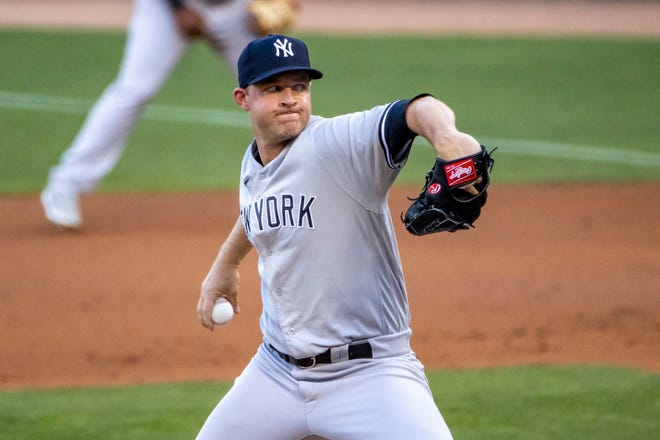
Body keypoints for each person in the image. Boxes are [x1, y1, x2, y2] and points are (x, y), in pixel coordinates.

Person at [195, 34, 486, 440]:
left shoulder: (339, 145)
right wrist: (225, 264)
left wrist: (447, 137)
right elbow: (258, 207)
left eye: (299, 86)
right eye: (274, 88)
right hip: (276, 373)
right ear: (243, 98)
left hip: (369, 374)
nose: (290, 98)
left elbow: (417, 110)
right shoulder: (256, 160)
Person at [40, 0, 262, 229]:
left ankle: (293, 187)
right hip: (165, 8)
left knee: (269, 85)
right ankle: (67, 182)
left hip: (235, 9)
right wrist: (179, 8)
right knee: (134, 90)